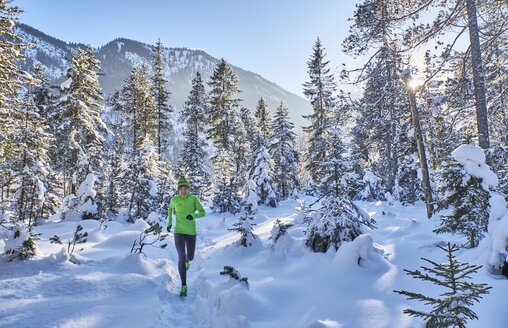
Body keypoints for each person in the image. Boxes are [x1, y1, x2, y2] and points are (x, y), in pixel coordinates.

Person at [167, 176, 206, 297]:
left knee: (190, 256)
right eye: (181, 189)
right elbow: (169, 209)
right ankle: (184, 285)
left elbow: (202, 212)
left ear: (188, 189)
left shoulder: (193, 199)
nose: (183, 191)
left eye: (185, 189)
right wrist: (169, 223)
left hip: (191, 233)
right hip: (178, 232)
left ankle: (188, 261)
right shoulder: (174, 199)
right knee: (181, 256)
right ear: (178, 190)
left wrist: (193, 216)